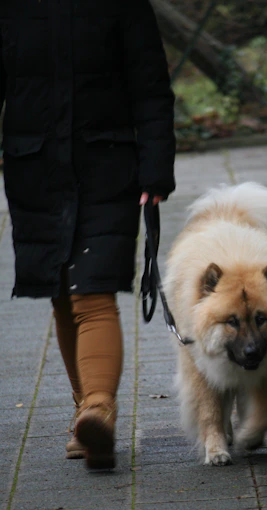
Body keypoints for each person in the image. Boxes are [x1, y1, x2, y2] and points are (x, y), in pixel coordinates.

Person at [0, 1, 176, 469]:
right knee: (61, 291)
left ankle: (99, 409)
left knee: (91, 291)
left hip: (108, 165)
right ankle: (87, 417)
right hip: (35, 168)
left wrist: (156, 169)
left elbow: (151, 86)